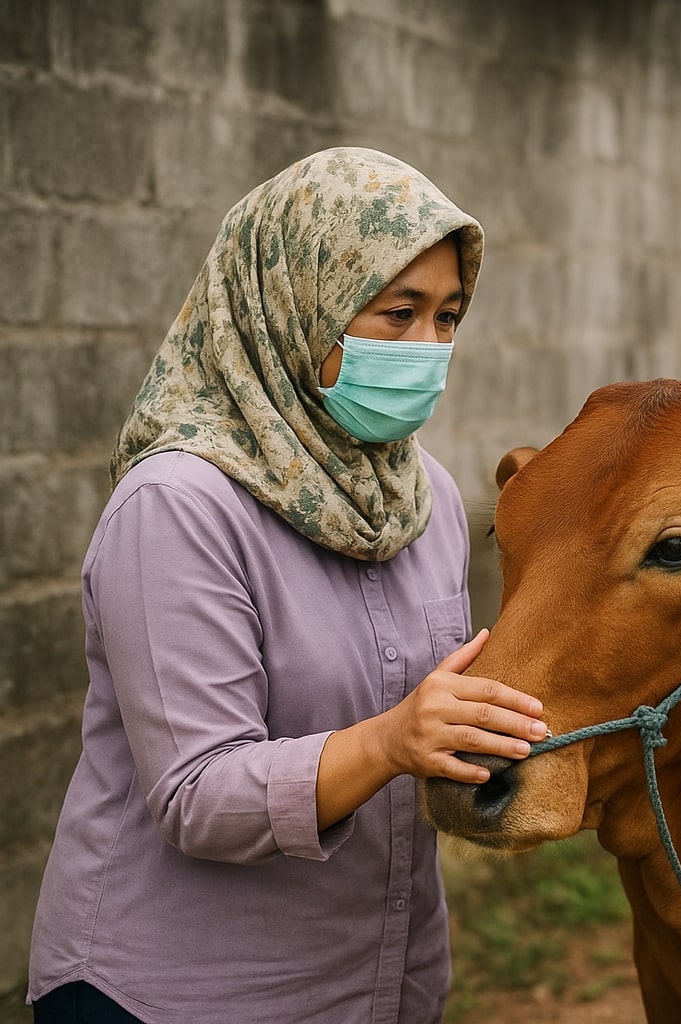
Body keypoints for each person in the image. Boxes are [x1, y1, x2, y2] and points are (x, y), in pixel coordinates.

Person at [28, 148, 549, 1023]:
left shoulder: (425, 503)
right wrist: (390, 741)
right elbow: (196, 794)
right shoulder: (179, 507)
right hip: (178, 993)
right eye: (398, 312)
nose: (428, 348)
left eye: (448, 316)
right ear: (296, 302)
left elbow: (433, 725)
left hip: (372, 983)